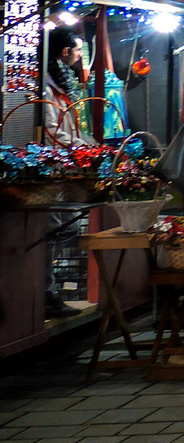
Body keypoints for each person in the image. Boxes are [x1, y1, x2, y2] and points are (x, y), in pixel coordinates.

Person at [41, 29, 91, 318]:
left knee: (64, 227)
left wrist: (86, 145)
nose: (80, 55)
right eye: (79, 50)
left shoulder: (61, 86)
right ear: (64, 52)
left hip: (64, 166)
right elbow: (51, 130)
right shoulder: (47, 88)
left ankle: (50, 289)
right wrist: (79, 147)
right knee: (56, 230)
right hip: (52, 168)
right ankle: (47, 292)